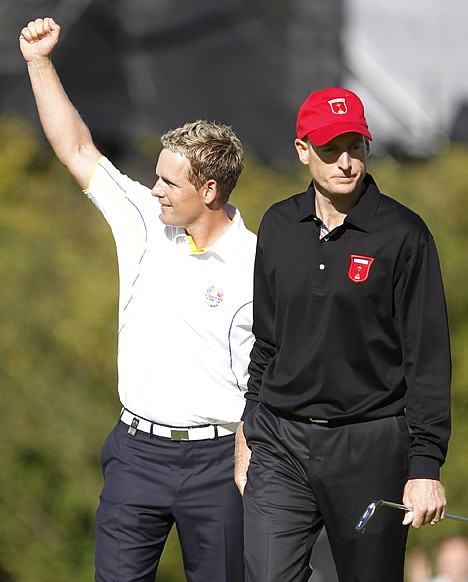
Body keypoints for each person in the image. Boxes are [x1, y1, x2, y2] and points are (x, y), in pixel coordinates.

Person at [20, 17, 256, 582]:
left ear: (209, 191)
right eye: (156, 177)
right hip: (136, 453)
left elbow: (272, 370)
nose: (155, 190)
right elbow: (75, 147)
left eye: (169, 183)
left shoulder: (261, 261)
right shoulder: (146, 221)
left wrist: (250, 460)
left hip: (220, 464)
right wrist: (38, 62)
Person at [234, 87, 452, 581]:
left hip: (369, 446)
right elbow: (266, 341)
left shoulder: (404, 235)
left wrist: (425, 466)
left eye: (355, 146)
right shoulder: (277, 225)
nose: (345, 162)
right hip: (279, 440)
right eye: (330, 148)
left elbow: (428, 359)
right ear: (302, 149)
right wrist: (248, 427)